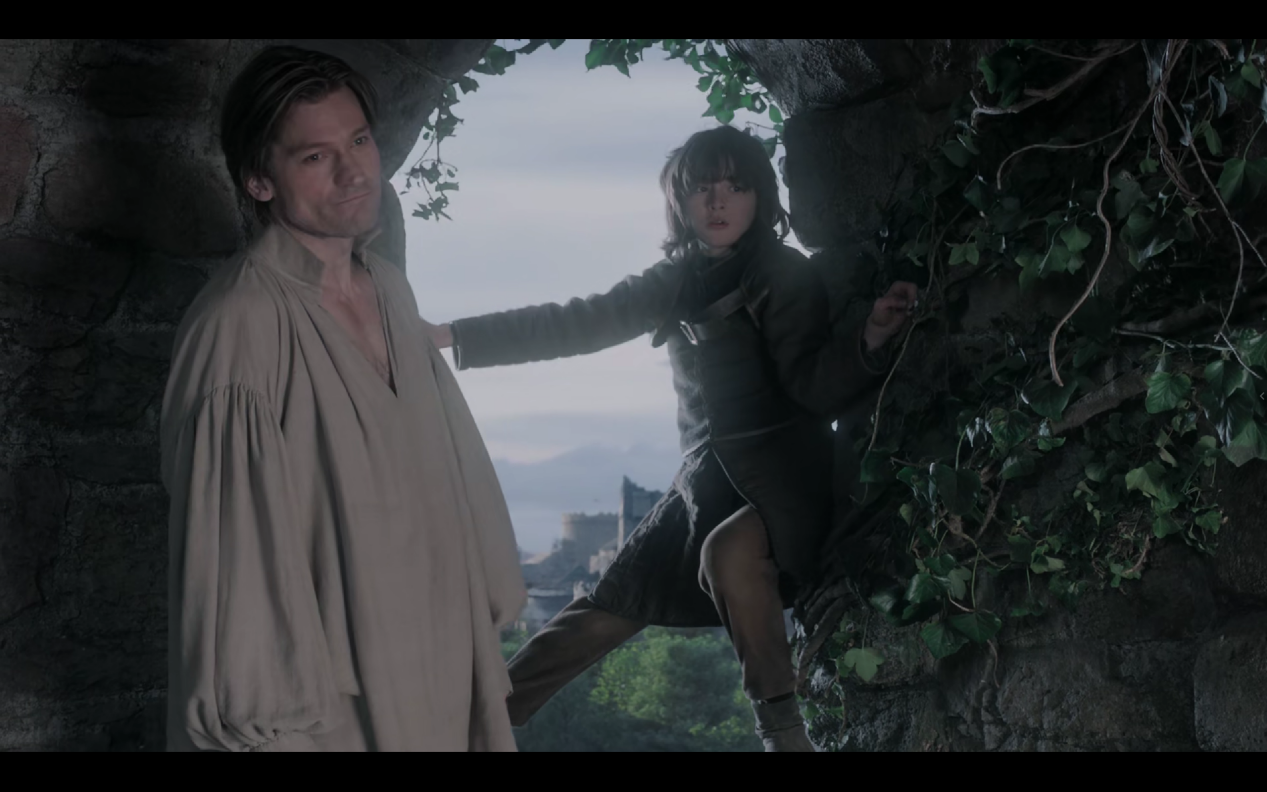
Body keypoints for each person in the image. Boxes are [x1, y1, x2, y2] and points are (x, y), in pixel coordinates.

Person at [430, 125, 916, 751]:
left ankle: (784, 737)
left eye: (735, 187)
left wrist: (871, 337)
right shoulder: (674, 279)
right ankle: (466, 726)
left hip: (784, 479)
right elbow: (578, 321)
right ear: (680, 200)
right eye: (702, 188)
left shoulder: (782, 272)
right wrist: (453, 337)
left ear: (759, 196)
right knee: (609, 603)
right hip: (704, 482)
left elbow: (815, 388)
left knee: (728, 552)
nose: (718, 202)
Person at [159, 46, 525, 752]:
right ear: (260, 181)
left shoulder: (389, 287)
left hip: (439, 668)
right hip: (330, 705)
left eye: (358, 141)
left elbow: (448, 479)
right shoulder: (238, 326)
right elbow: (233, 574)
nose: (355, 172)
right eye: (315, 157)